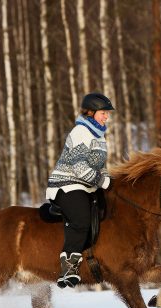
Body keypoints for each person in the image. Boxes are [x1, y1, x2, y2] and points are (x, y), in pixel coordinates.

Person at [46, 93, 115, 288]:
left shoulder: (99, 136)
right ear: (91, 112)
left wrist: (108, 180)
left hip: (87, 185)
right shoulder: (80, 132)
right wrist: (101, 181)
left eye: (107, 114)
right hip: (66, 183)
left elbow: (100, 165)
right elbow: (78, 166)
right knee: (81, 218)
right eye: (103, 113)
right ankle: (68, 267)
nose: (106, 117)